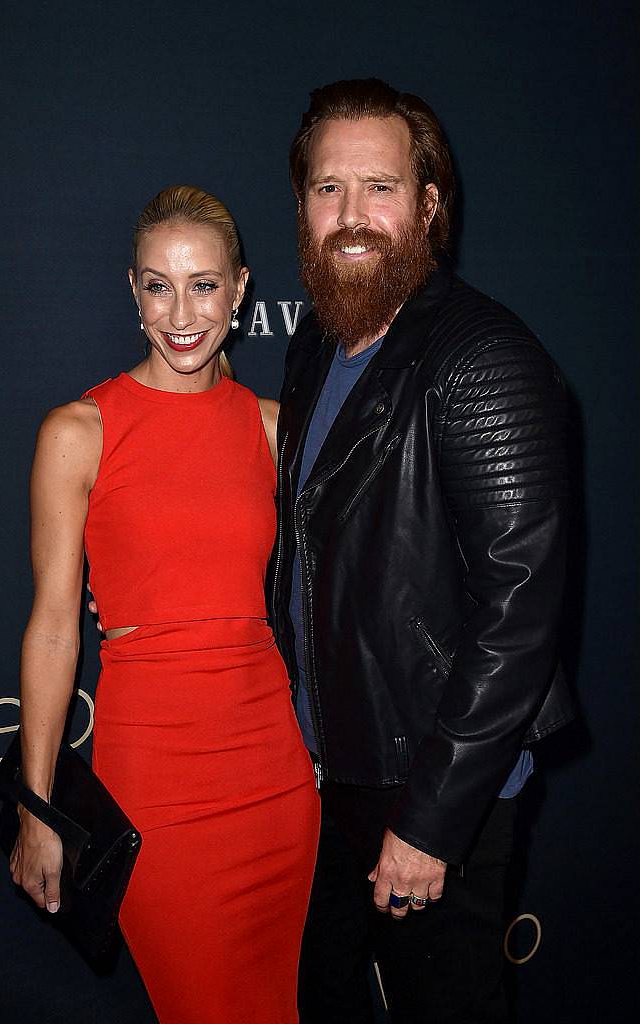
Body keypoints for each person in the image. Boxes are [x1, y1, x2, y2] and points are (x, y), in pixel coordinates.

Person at [268, 79, 576, 1024]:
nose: (351, 216)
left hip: (433, 779)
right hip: (337, 767)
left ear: (429, 203)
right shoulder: (318, 345)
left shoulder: (480, 355)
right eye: (328, 189)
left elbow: (519, 614)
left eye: (380, 187)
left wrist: (430, 823)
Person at [10, 184, 320, 1024]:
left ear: (242, 289)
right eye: (158, 285)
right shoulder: (80, 431)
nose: (181, 311)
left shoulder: (271, 427)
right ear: (133, 290)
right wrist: (36, 809)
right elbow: (51, 628)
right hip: (157, 783)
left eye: (205, 285)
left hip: (274, 778)